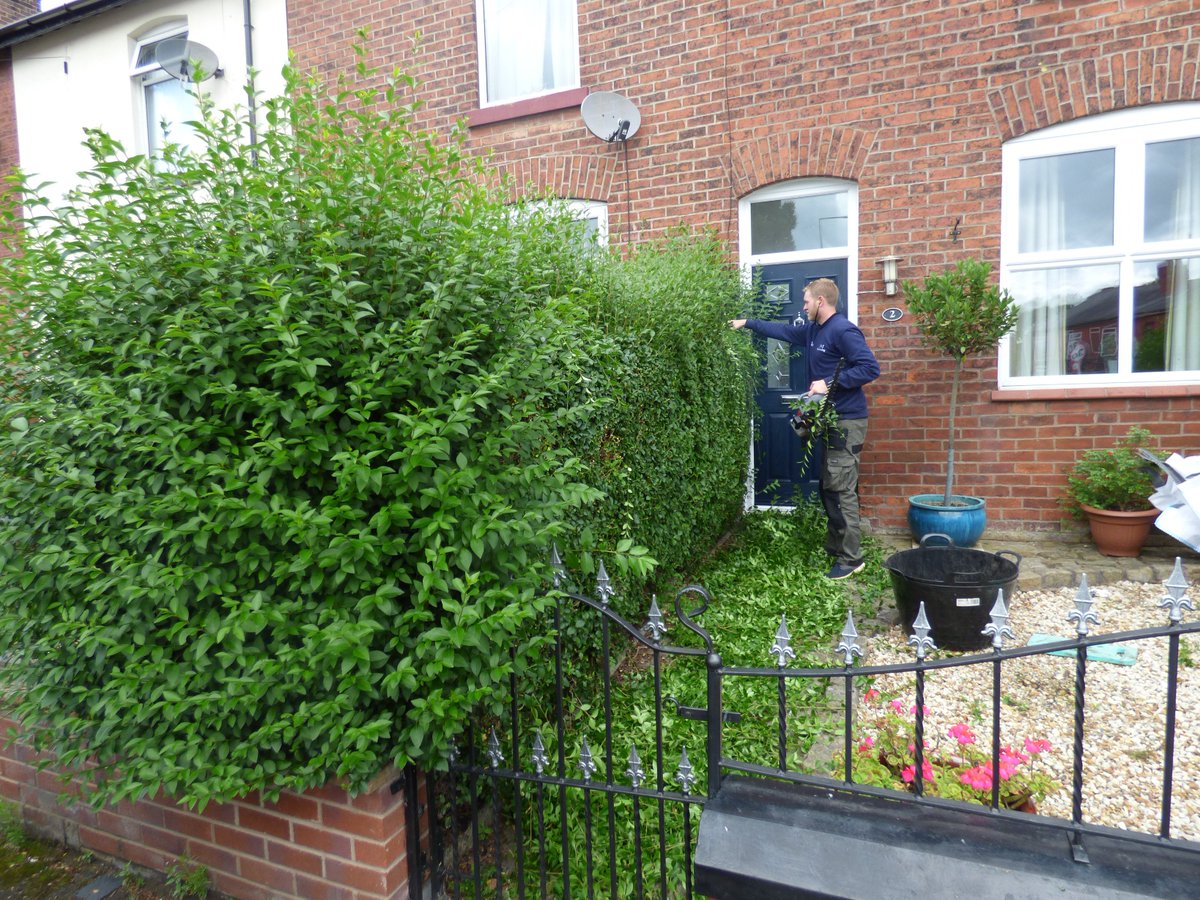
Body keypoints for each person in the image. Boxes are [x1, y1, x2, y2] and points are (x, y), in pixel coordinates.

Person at [730, 278, 881, 579]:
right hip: (825, 418)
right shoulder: (814, 330)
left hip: (846, 420)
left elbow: (869, 368)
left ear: (821, 301)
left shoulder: (842, 330)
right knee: (829, 484)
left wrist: (828, 384)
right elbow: (783, 331)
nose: (804, 306)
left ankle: (852, 558)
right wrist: (747, 322)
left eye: (807, 301)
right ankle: (837, 547)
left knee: (841, 489)